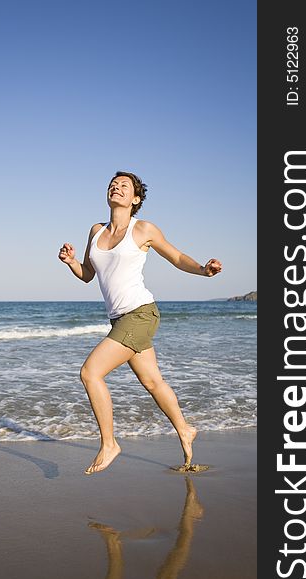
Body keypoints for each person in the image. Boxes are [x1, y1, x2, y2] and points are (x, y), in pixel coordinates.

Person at [58, 171, 222, 474]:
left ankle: (110, 444)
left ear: (135, 199)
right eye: (112, 184)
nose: (115, 188)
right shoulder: (95, 231)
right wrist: (71, 264)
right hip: (120, 319)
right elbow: (88, 275)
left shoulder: (143, 229)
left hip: (141, 314)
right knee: (152, 382)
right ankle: (185, 430)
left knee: (90, 373)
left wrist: (202, 269)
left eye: (124, 186)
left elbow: (175, 256)